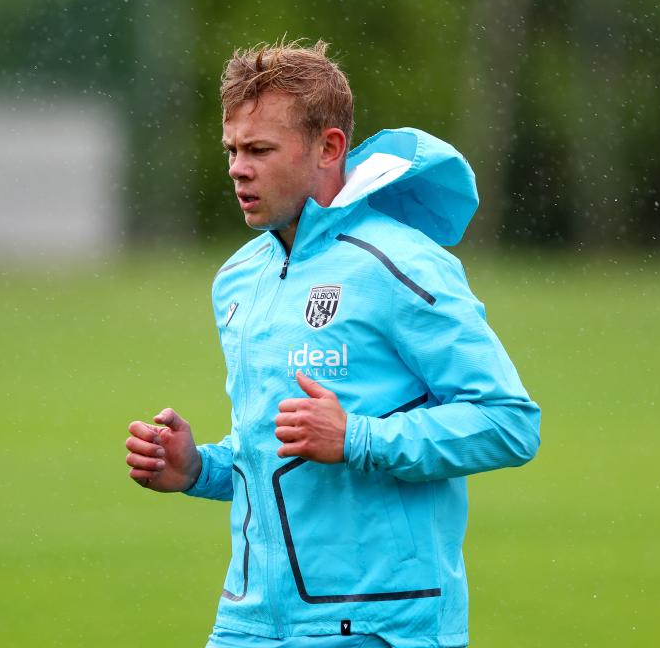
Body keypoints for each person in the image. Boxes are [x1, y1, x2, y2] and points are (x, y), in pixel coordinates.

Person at [125, 39, 541, 648]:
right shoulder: (238, 279)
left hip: (377, 623)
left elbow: (509, 423)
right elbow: (272, 451)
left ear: (329, 147)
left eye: (260, 149)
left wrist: (357, 439)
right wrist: (198, 469)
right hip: (250, 622)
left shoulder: (398, 264)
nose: (239, 168)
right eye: (233, 150)